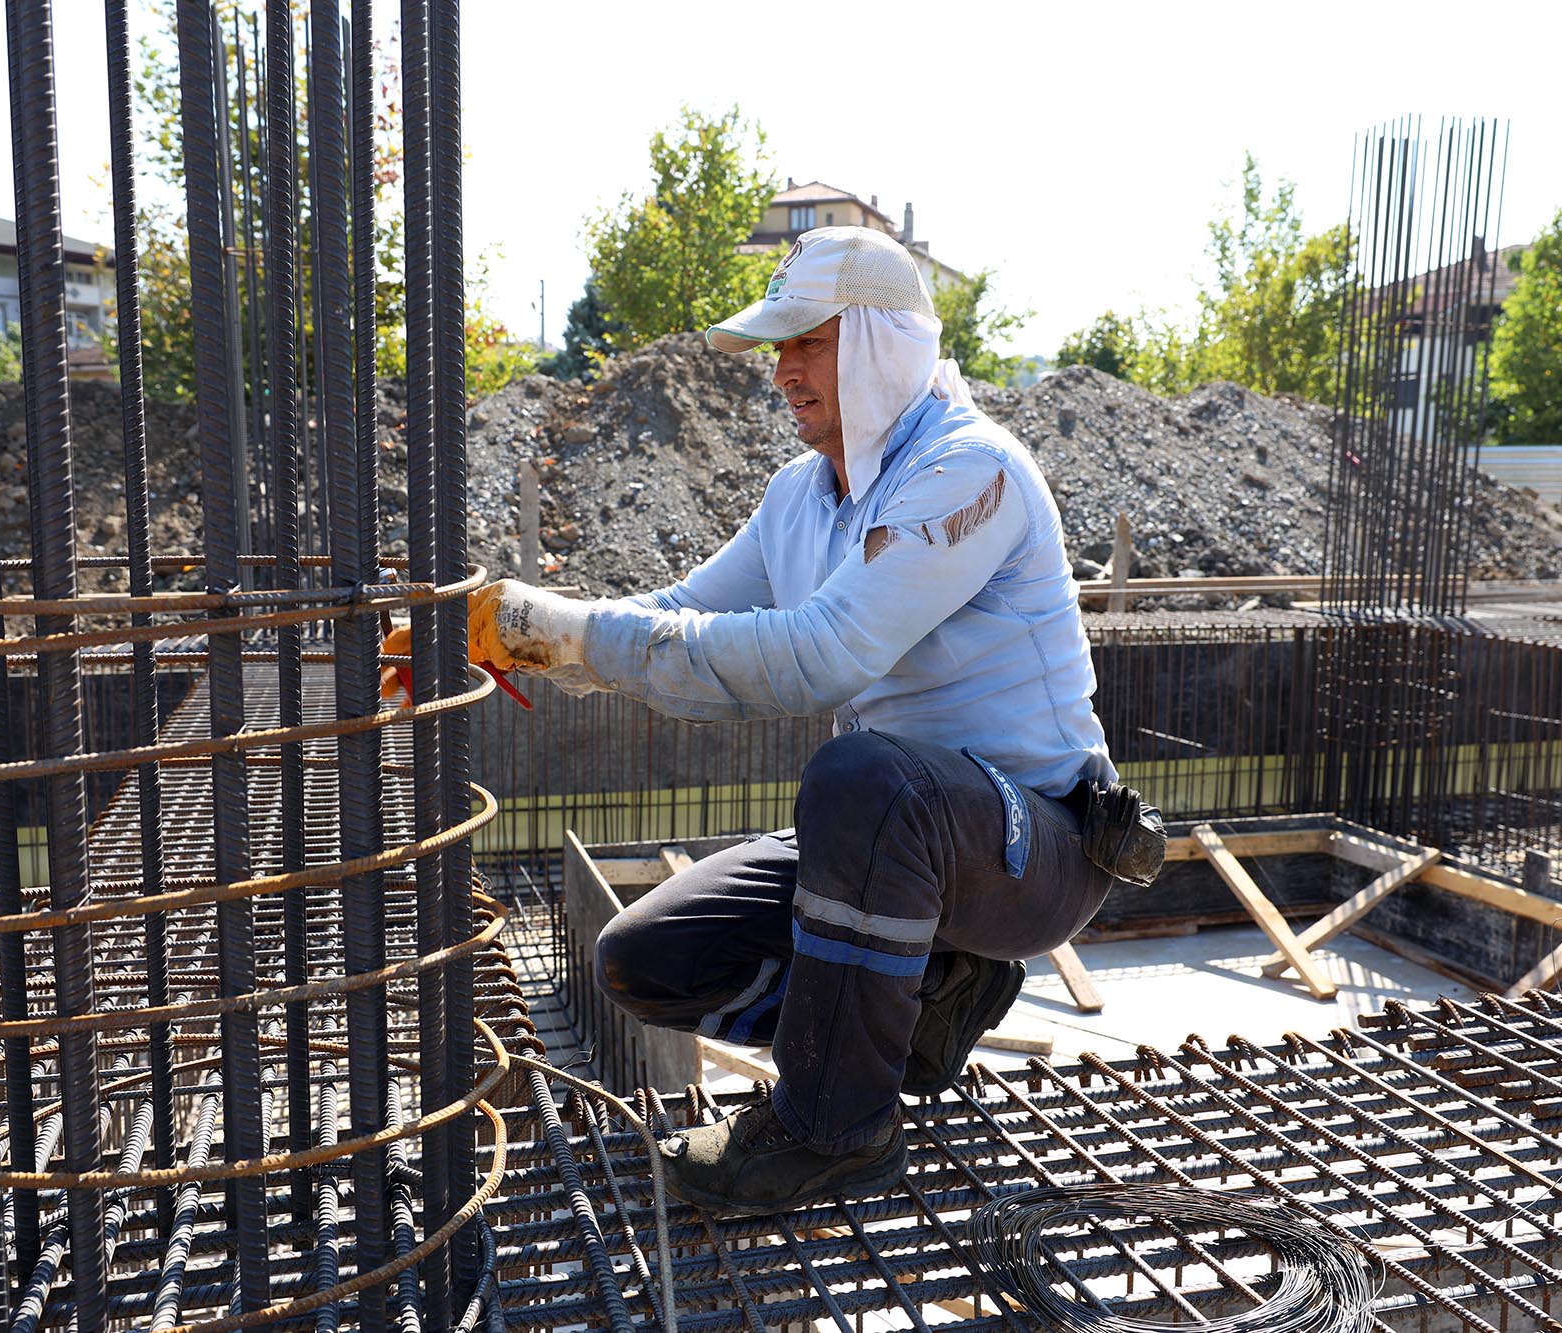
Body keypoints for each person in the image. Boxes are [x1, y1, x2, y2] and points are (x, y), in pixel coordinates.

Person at [465, 226, 1162, 1218]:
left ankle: (835, 1127)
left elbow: (822, 652)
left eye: (809, 342)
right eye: (778, 347)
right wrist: (533, 638)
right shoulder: (802, 494)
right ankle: (931, 994)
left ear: (882, 344)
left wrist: (576, 633)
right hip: (900, 840)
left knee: (860, 776)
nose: (782, 370)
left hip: (1037, 845)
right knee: (644, 959)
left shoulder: (971, 472)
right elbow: (682, 611)